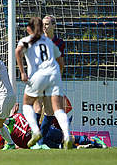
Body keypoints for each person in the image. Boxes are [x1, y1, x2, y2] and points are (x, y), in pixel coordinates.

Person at [15, 16, 72, 149]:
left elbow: (18, 52)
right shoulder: (49, 43)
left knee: (30, 105)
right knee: (53, 109)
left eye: (47, 24)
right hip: (53, 76)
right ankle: (66, 135)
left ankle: (37, 136)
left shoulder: (33, 40)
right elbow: (61, 63)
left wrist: (23, 72)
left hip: (38, 77)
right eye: (43, 24)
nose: (45, 27)